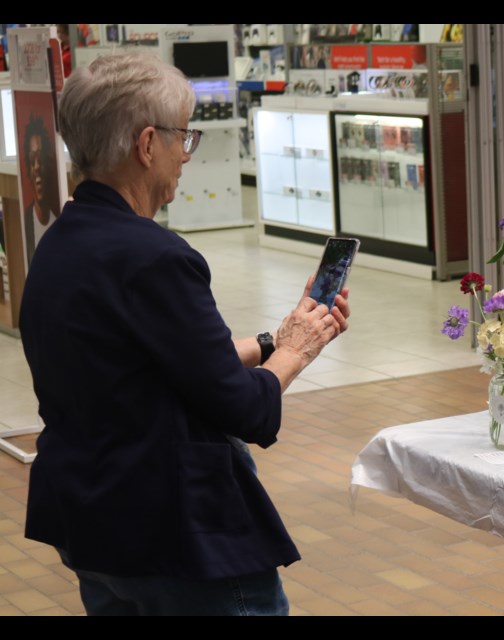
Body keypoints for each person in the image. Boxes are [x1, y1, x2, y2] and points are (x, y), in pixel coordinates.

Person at [18, 50, 350, 616]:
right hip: (174, 531)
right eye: (183, 138)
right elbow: (245, 410)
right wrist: (297, 351)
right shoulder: (155, 257)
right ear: (147, 145)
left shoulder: (61, 241)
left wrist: (272, 341)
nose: (186, 155)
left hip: (93, 520)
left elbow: (156, 368)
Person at [20, 113, 61, 265]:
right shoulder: (25, 222)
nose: (37, 167)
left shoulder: (62, 218)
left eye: (41, 159)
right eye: (32, 160)